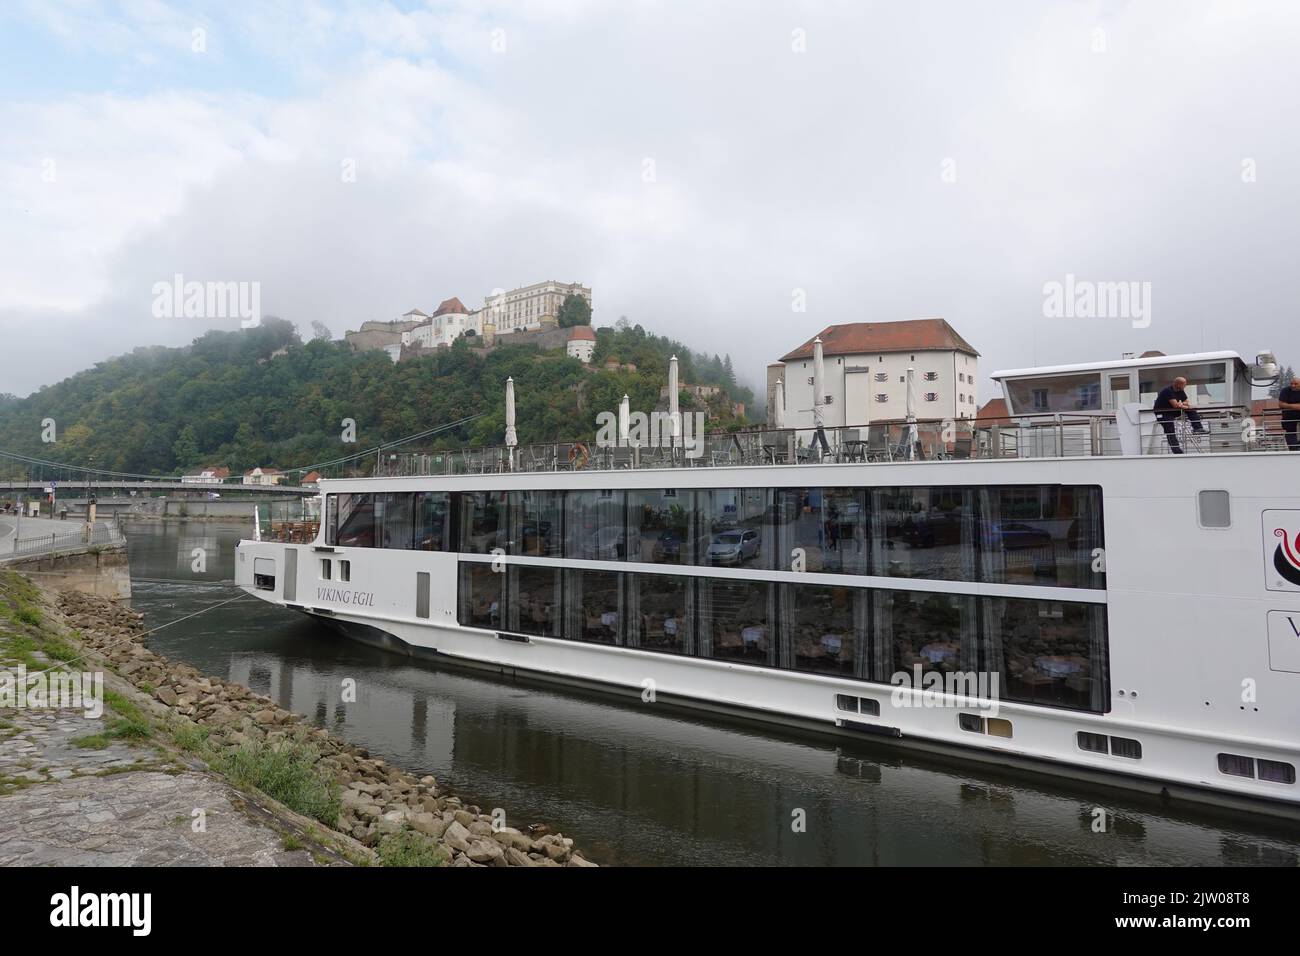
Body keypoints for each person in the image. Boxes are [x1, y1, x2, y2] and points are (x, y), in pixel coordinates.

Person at [1154, 376, 1203, 454]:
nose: (1185, 386)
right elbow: (1175, 405)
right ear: (1178, 384)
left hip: (1172, 411)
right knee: (1170, 429)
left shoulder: (1181, 391)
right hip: (1163, 413)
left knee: (1191, 410)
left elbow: (1186, 402)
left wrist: (1182, 404)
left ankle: (1198, 428)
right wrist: (1184, 406)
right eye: (1184, 384)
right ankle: (1176, 450)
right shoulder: (1167, 391)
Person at [1278, 376, 1300, 451]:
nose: (1293, 385)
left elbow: (1284, 404)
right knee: (1290, 433)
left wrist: (1287, 405)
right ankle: (1293, 449)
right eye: (1291, 384)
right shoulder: (1285, 391)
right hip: (1289, 418)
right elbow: (1281, 405)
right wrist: (1296, 406)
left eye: (1295, 384)